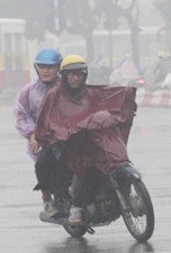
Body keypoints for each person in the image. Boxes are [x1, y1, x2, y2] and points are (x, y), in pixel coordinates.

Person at [35, 54, 137, 226]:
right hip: (65, 144)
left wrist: (127, 97)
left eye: (79, 74)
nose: (75, 78)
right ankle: (74, 206)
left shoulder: (90, 92)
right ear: (64, 76)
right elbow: (46, 120)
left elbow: (110, 97)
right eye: (71, 74)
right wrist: (62, 132)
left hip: (88, 141)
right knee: (70, 164)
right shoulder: (54, 95)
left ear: (85, 75)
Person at [14, 48, 63, 221]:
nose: (46, 70)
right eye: (42, 67)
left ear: (58, 68)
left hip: (68, 135)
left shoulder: (68, 86)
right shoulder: (28, 91)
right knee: (43, 163)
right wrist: (32, 134)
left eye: (50, 67)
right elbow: (21, 115)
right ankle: (47, 200)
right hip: (43, 139)